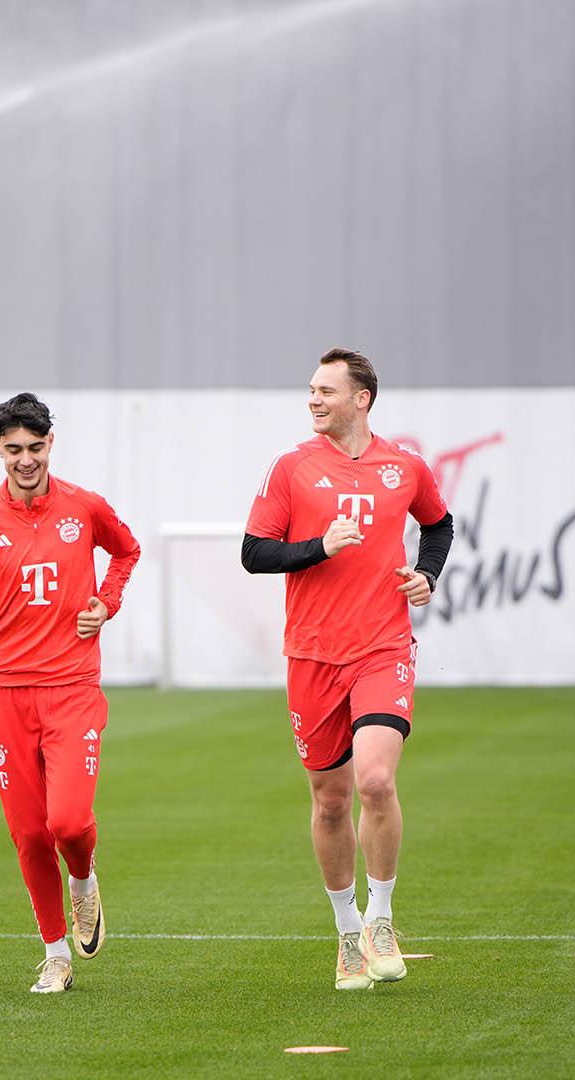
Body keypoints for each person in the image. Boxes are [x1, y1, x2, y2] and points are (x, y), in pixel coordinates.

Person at [242, 348, 455, 990]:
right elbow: (255, 553)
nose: (314, 400)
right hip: (311, 657)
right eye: (311, 389)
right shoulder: (292, 468)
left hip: (383, 647)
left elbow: (439, 526)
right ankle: (345, 932)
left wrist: (426, 576)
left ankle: (382, 919)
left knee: (375, 781)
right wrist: (318, 548)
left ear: (361, 399)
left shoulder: (405, 467)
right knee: (330, 802)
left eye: (326, 391)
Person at [0, 392, 140, 993]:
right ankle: (55, 953)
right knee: (29, 834)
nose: (24, 460)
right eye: (13, 449)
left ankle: (84, 882)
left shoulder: (84, 507)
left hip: (71, 690)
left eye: (34, 448)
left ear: (50, 445)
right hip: (6, 697)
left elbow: (127, 550)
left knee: (66, 822)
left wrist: (106, 603)